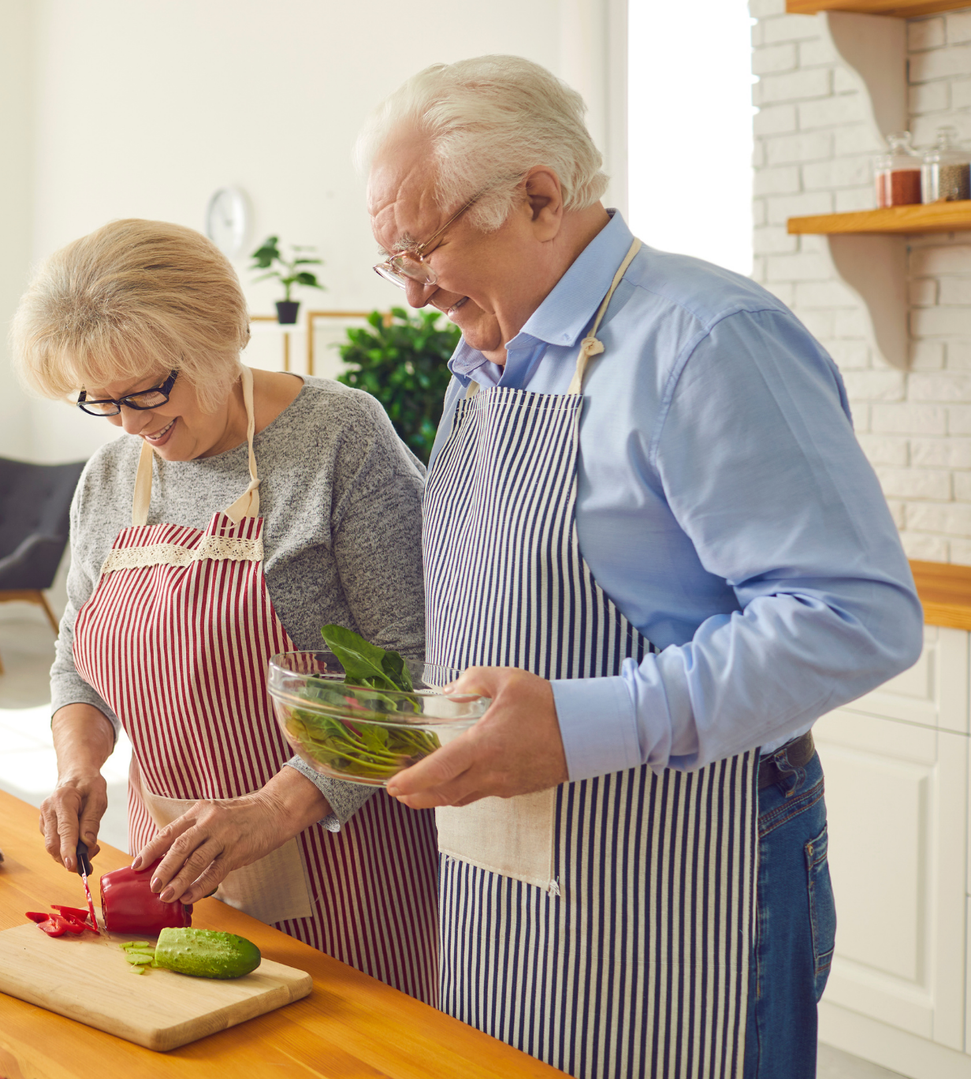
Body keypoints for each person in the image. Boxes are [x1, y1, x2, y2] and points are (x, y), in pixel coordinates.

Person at [358, 55, 923, 1078]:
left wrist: (577, 729)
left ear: (538, 198)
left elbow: (854, 617)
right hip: (510, 858)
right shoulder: (491, 358)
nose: (409, 291)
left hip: (689, 856)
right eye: (386, 256)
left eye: (422, 247)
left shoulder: (706, 339)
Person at [12, 219, 438, 997]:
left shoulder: (339, 439)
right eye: (102, 403)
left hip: (344, 869)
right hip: (174, 873)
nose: (132, 424)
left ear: (220, 336)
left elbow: (410, 671)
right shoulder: (110, 476)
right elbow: (81, 655)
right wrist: (80, 765)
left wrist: (272, 810)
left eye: (147, 390)